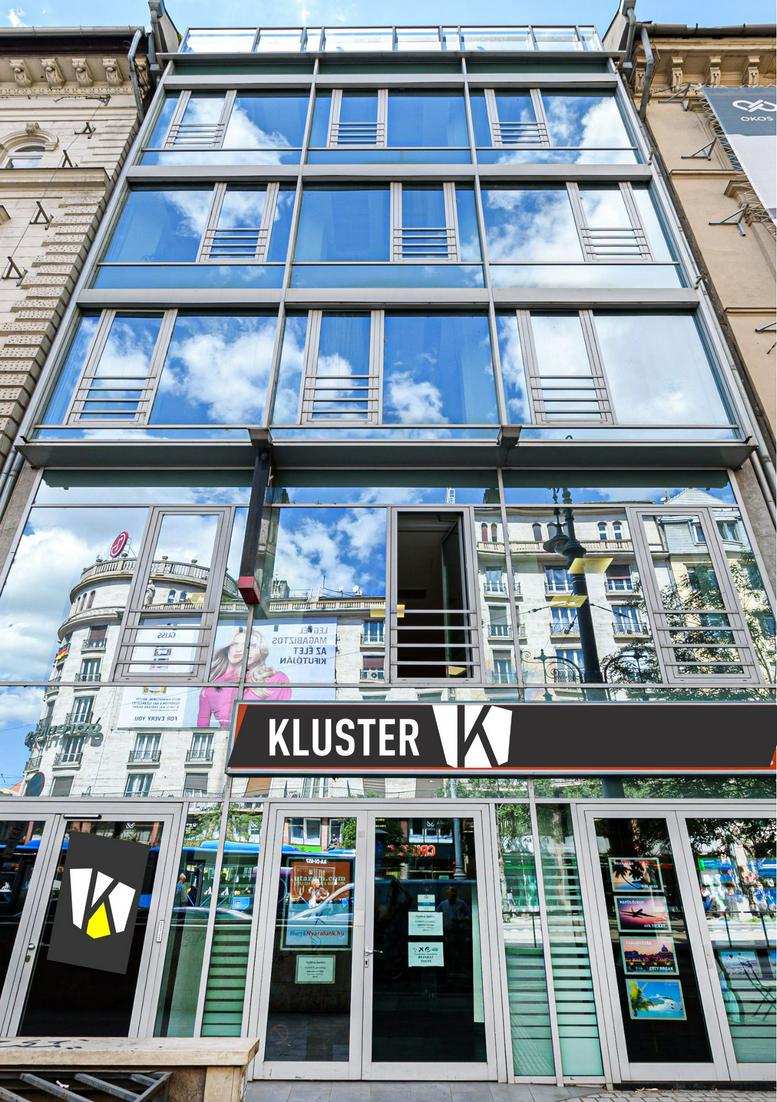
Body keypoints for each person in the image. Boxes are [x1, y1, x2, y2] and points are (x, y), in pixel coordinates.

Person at [197, 627, 291, 727]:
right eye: (234, 644)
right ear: (227, 649)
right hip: (226, 736)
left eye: (251, 646)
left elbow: (280, 721)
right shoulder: (212, 687)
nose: (239, 649)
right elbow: (201, 727)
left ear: (261, 652)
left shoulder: (277, 679)